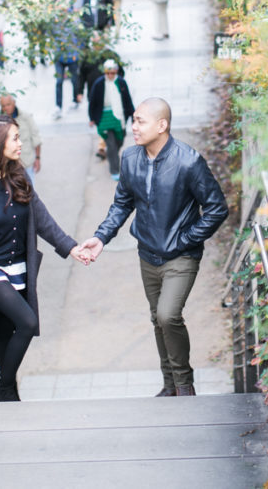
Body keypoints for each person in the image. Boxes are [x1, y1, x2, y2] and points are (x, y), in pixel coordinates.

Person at [81, 98, 228, 397]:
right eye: (133, 121)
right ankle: (170, 384)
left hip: (181, 256)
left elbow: (216, 208)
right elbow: (122, 204)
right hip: (147, 255)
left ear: (162, 125)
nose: (133, 127)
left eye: (140, 121)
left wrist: (186, 239)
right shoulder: (131, 158)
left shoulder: (188, 161)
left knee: (167, 315)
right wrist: (101, 237)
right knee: (157, 319)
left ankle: (185, 385)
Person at [0, 115, 90, 401]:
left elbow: (41, 217)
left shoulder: (19, 176)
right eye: (15, 138)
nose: (20, 143)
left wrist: (71, 247)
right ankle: (4, 386)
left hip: (18, 267)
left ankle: (9, 391)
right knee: (27, 322)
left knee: (7, 330)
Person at [88, 60, 135, 180]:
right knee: (111, 145)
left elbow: (127, 100)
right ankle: (115, 170)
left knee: (119, 141)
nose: (110, 76)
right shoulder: (99, 83)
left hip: (120, 117)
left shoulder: (121, 82)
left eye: (112, 73)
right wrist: (92, 118)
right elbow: (92, 102)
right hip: (104, 118)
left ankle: (111, 154)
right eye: (108, 73)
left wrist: (134, 115)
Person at [0, 94, 43, 187]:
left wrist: (38, 158)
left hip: (27, 162)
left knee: (30, 191)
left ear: (14, 103)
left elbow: (36, 138)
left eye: (8, 104)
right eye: (3, 106)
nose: (6, 108)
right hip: (8, 167)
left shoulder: (26, 117)